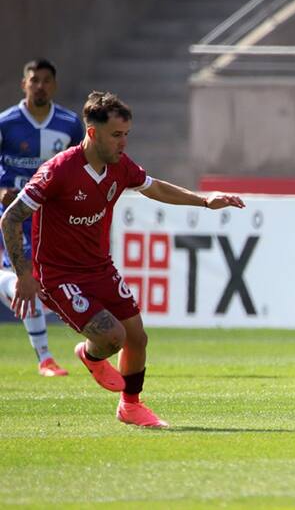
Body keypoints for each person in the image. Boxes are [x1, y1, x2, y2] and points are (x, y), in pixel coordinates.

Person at [1, 91, 245, 428]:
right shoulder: (58, 171)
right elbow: (10, 218)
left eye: (126, 135)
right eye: (117, 135)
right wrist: (24, 274)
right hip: (59, 276)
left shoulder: (121, 167)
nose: (123, 143)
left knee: (138, 338)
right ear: (92, 134)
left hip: (100, 267)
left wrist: (204, 201)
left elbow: (154, 187)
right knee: (112, 337)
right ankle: (91, 354)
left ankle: (130, 406)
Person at [0, 58, 84, 377]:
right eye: (34, 80)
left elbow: (79, 167)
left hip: (49, 221)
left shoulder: (69, 123)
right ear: (24, 84)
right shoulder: (6, 123)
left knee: (45, 286)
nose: (40, 86)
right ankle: (45, 358)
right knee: (29, 283)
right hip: (11, 218)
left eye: (46, 80)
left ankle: (91, 350)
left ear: (55, 85)